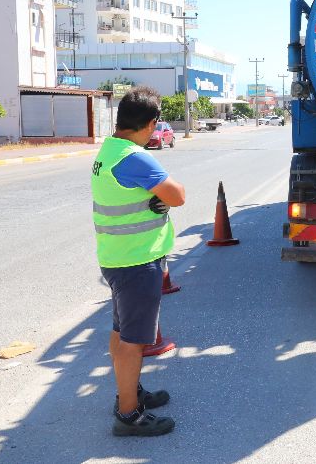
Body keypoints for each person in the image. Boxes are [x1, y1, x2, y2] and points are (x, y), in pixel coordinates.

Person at [91, 87, 185, 435]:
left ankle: (129, 392)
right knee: (134, 341)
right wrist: (160, 198)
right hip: (136, 261)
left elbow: (134, 195)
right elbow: (178, 195)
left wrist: (151, 199)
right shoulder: (134, 157)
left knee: (121, 331)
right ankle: (128, 415)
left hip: (116, 258)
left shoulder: (109, 150)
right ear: (151, 123)